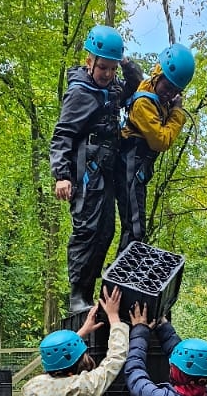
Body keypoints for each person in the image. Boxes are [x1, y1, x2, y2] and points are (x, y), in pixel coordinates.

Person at [50, 25, 142, 316]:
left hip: (106, 168)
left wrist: (125, 63)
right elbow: (62, 134)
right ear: (89, 62)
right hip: (85, 169)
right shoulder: (79, 93)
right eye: (103, 67)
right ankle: (78, 294)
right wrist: (61, 175)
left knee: (106, 230)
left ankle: (95, 292)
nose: (107, 74)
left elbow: (135, 84)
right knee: (87, 229)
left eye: (112, 68)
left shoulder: (112, 88)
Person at [119, 42, 195, 252]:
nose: (169, 94)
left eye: (175, 91)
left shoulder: (155, 94)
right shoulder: (144, 103)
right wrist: (177, 113)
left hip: (136, 168)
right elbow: (161, 141)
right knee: (135, 229)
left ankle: (124, 269)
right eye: (167, 87)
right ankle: (123, 272)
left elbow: (136, 76)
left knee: (135, 229)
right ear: (157, 76)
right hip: (130, 165)